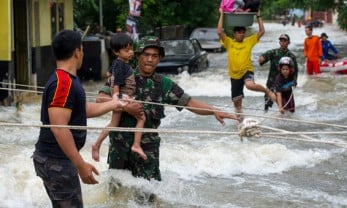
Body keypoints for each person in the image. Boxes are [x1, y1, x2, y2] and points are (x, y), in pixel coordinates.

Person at [95, 36, 238, 183]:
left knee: (148, 196)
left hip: (147, 151)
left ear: (160, 59)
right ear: (138, 56)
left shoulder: (164, 84)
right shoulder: (124, 75)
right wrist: (126, 106)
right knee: (117, 196)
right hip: (120, 149)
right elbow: (100, 99)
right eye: (146, 55)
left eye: (154, 56)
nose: (149, 59)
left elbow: (189, 103)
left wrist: (213, 110)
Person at [32, 30, 125, 207]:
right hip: (56, 161)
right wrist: (81, 165)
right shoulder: (63, 83)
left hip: (56, 159)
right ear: (77, 51)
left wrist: (114, 104)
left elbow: (82, 110)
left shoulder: (67, 80)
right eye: (82, 49)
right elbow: (59, 127)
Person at [92, 33, 147, 162]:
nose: (131, 52)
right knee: (141, 117)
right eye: (126, 50)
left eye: (131, 49)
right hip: (123, 96)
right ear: (117, 52)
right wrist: (116, 96)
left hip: (122, 96)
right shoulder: (121, 65)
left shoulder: (118, 63)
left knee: (114, 123)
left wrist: (109, 74)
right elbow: (116, 81)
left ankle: (97, 144)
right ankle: (136, 145)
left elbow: (109, 73)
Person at [217, 8, 272, 118]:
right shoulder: (228, 42)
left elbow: (262, 32)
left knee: (249, 85)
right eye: (239, 33)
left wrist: (259, 16)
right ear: (234, 34)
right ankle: (241, 124)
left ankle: (267, 91)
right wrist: (222, 14)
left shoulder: (248, 41)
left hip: (247, 71)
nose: (241, 34)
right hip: (234, 75)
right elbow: (219, 31)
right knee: (237, 106)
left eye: (243, 32)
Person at [259, 34, 298, 111]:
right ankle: (267, 118)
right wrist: (262, 58)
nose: (283, 42)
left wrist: (294, 81)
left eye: (285, 41)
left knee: (288, 108)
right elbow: (263, 57)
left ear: (288, 43)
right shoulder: (273, 52)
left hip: (285, 85)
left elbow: (295, 71)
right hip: (272, 83)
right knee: (267, 104)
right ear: (279, 42)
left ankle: (285, 120)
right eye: (281, 41)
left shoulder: (291, 56)